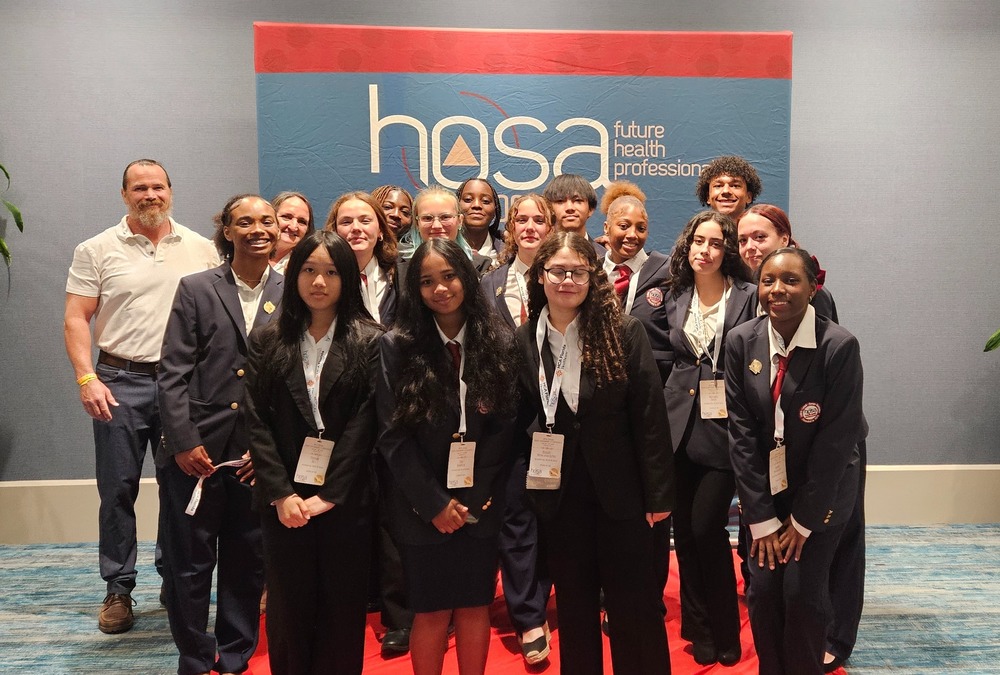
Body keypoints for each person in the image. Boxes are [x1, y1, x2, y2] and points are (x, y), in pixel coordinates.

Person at [64, 159, 218, 634]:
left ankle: (175, 581)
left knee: (180, 490)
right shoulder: (96, 249)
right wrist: (87, 378)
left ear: (171, 191)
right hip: (119, 382)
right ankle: (118, 589)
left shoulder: (203, 248)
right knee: (117, 490)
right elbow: (76, 318)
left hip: (183, 387)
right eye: (139, 188)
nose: (150, 195)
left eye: (158, 187)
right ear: (124, 194)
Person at [517, 231, 675, 674]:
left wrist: (659, 499)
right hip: (562, 497)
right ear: (541, 274)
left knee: (634, 610)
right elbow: (525, 415)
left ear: (593, 277)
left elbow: (650, 416)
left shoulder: (624, 331)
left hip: (624, 496)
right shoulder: (526, 337)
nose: (567, 280)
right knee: (573, 608)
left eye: (578, 272)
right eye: (557, 271)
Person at [376, 237, 519, 675]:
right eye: (426, 281)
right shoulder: (397, 345)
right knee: (432, 610)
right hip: (422, 508)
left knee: (475, 605)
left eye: (449, 276)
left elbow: (506, 428)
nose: (440, 289)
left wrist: (475, 498)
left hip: (480, 503)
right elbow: (392, 437)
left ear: (467, 278)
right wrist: (435, 503)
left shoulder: (500, 339)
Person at [245, 231, 382, 675]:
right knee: (287, 609)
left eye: (329, 272)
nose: (318, 282)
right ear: (293, 273)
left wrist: (331, 494)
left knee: (342, 610)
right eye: (308, 270)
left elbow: (367, 424)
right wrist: (281, 494)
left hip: (345, 501)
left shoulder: (370, 340)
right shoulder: (268, 340)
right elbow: (256, 421)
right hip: (284, 501)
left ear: (347, 278)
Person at [726, 247, 866, 675]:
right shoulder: (741, 341)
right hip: (767, 494)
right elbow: (743, 437)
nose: (777, 290)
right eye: (768, 281)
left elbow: (836, 445)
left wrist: (802, 522)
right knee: (765, 591)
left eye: (791, 281)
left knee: (802, 593)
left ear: (813, 287)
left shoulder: (838, 346)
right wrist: (763, 520)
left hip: (822, 492)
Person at [157, 194, 280, 675]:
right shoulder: (196, 288)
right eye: (244, 222)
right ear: (226, 231)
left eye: (266, 221)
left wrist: (268, 452)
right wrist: (184, 442)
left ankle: (235, 654)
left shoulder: (292, 291)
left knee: (247, 562)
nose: (257, 229)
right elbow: (172, 373)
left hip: (256, 454)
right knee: (189, 564)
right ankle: (192, 654)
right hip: (197, 451)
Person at [662, 210, 755, 667]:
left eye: (715, 243)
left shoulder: (749, 297)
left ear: (727, 250)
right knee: (685, 530)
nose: (705, 249)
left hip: (726, 429)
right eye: (698, 240)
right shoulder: (674, 296)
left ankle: (724, 626)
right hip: (677, 425)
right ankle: (698, 628)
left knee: (707, 529)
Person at [478, 193, 555, 664]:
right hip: (504, 422)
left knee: (553, 517)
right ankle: (528, 616)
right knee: (514, 517)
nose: (529, 226)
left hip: (556, 422)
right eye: (520, 220)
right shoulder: (486, 284)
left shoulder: (566, 278)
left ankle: (542, 600)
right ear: (510, 229)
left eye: (538, 219)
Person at [598, 182, 674, 632]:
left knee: (654, 507)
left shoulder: (666, 272)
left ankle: (649, 598)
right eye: (623, 225)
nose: (631, 234)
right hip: (601, 408)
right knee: (611, 508)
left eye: (641, 226)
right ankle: (607, 596)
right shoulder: (586, 267)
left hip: (651, 402)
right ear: (604, 227)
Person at [738, 203, 838, 321]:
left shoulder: (811, 291)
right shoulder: (749, 286)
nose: (749, 246)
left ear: (784, 240)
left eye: (760, 237)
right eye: (743, 240)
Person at [325, 190, 399, 325]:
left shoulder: (401, 275)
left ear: (380, 230)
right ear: (334, 231)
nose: (356, 228)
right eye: (346, 222)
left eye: (365, 221)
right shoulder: (323, 278)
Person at [397, 185, 493, 277]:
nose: (436, 226)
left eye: (445, 217)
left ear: (460, 221)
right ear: (417, 224)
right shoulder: (396, 261)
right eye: (427, 218)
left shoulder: (481, 266)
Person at [543, 173, 606, 256]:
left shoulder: (605, 258)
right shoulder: (538, 254)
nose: (570, 208)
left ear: (591, 209)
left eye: (577, 200)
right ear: (549, 209)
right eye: (560, 201)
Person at [695, 155, 762, 220]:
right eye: (718, 186)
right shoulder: (697, 231)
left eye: (735, 186)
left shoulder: (761, 230)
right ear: (708, 197)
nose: (726, 191)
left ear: (749, 197)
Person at [457, 178, 504, 262]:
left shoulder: (510, 255)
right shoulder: (441, 252)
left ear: (495, 210)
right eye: (468, 199)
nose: (476, 205)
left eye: (485, 201)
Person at [270, 191, 314, 275]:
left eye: (302, 222)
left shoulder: (306, 267)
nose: (293, 227)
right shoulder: (246, 256)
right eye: (286, 217)